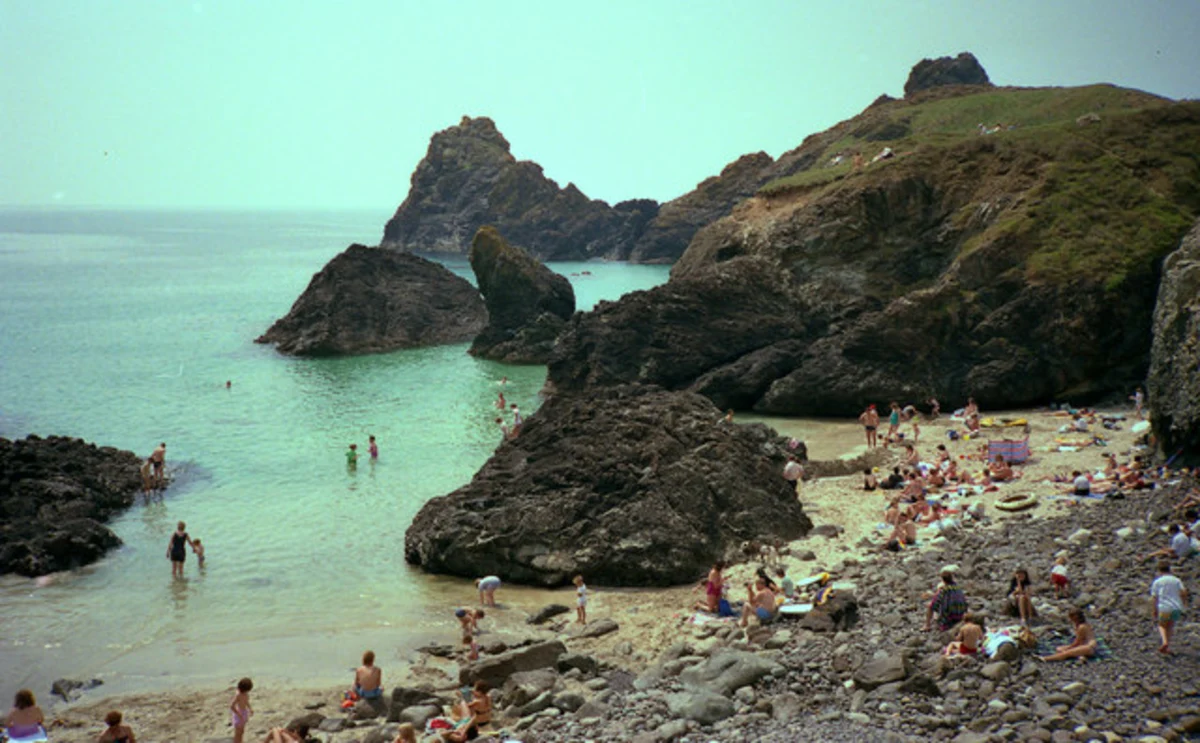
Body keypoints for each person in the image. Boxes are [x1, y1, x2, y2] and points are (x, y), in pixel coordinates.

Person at [1151, 561, 1188, 654]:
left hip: (1164, 606)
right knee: (1170, 626)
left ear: (1159, 570)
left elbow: (1155, 597)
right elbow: (1183, 592)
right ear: (1169, 569)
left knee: (1161, 625)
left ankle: (1164, 642)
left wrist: (1154, 609)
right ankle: (1167, 647)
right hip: (1176, 607)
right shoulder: (1176, 580)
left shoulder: (1157, 582)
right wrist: (1183, 603)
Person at [230, 678, 253, 743]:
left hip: (244, 712)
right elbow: (232, 706)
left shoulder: (246, 694)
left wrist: (250, 708)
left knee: (242, 731)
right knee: (238, 732)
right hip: (239, 713)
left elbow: (246, 702)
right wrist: (238, 714)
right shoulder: (238, 695)